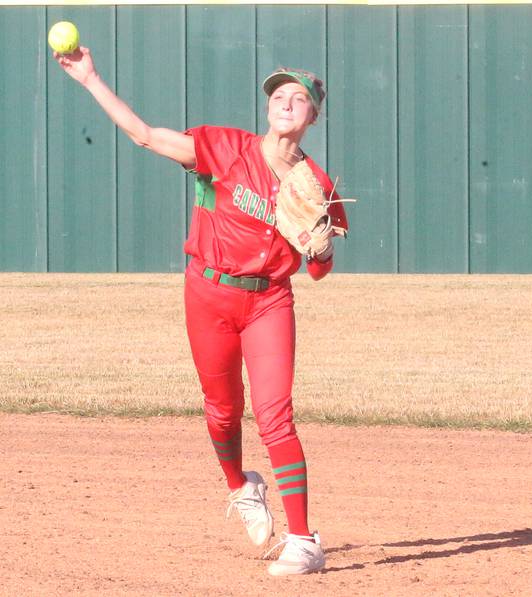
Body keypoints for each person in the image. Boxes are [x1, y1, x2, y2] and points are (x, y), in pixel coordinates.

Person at [54, 46, 348, 576]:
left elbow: (322, 268)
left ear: (313, 116)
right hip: (207, 292)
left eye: (298, 98)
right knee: (221, 408)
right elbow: (146, 136)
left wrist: (321, 250)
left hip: (269, 300)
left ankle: (304, 540)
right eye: (278, 95)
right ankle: (241, 486)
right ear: (267, 109)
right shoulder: (225, 147)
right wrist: (90, 79)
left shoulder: (319, 186)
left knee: (276, 414)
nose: (285, 102)